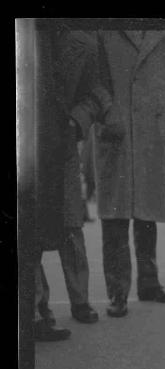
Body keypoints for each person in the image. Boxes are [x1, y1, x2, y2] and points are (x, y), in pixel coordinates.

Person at [94, 30, 165, 317]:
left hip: (151, 132)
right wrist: (109, 111)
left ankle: (149, 283)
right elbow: (93, 81)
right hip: (115, 131)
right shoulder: (104, 28)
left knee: (148, 215)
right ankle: (117, 293)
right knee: (115, 217)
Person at [33, 23, 110, 341]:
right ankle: (37, 311)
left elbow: (99, 92)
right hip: (25, 137)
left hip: (61, 139)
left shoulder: (89, 33)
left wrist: (74, 122)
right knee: (26, 226)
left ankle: (80, 300)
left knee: (70, 222)